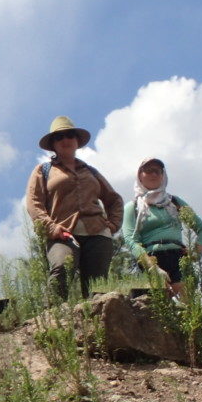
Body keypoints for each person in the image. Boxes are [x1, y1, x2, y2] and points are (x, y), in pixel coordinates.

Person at [25, 116, 123, 300]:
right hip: (62, 233)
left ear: (77, 141)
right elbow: (33, 203)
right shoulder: (43, 170)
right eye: (59, 137)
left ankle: (96, 326)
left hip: (98, 232)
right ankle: (52, 324)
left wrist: (113, 224)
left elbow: (114, 199)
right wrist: (51, 228)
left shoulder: (91, 172)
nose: (65, 140)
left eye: (69, 135)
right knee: (61, 268)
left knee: (97, 287)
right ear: (53, 144)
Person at [120, 158, 202, 298]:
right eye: (148, 170)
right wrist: (152, 267)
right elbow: (131, 241)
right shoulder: (133, 207)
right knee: (156, 307)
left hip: (179, 257)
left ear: (163, 176)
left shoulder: (175, 202)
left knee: (189, 307)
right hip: (151, 258)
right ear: (139, 176)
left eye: (158, 171)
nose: (154, 174)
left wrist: (194, 254)